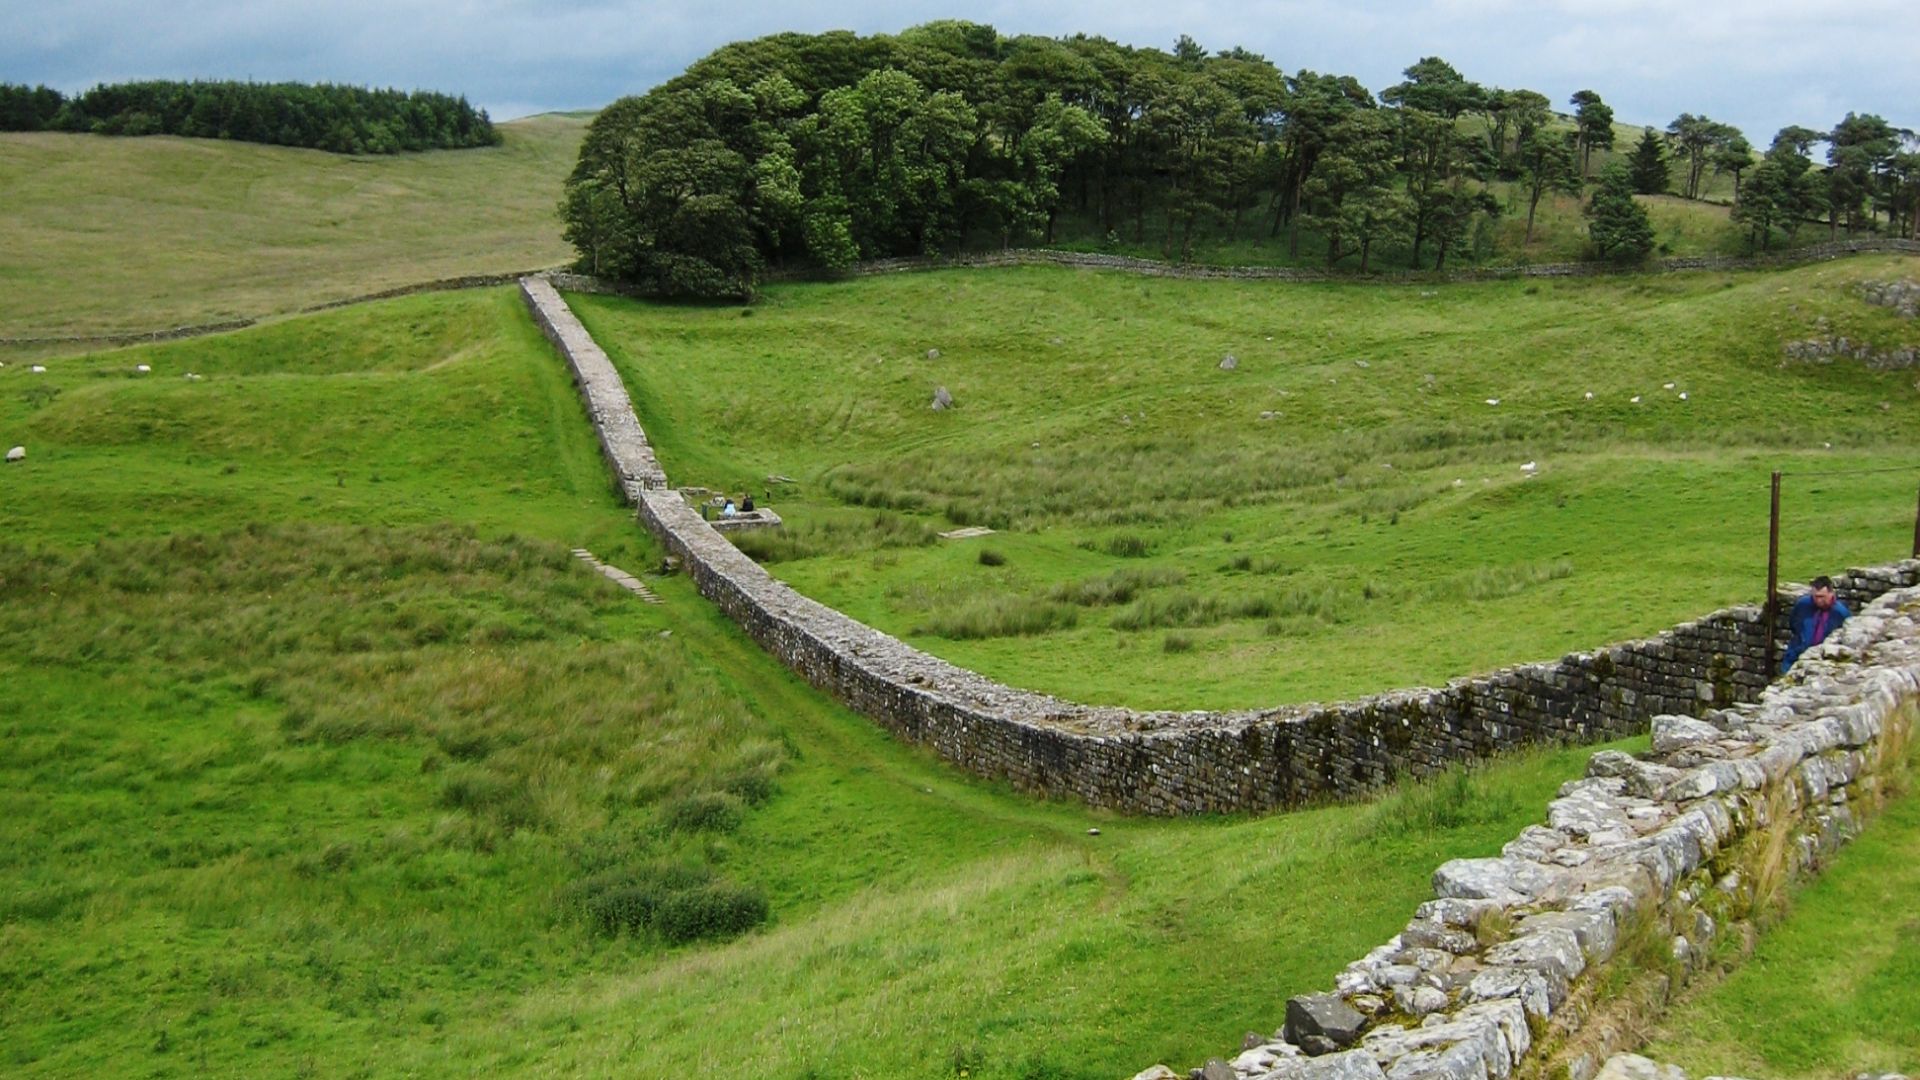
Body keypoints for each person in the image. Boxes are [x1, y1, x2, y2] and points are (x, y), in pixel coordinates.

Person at [1780, 576, 1850, 672]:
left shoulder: (1840, 613)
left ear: (1831, 594)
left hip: (1822, 661)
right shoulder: (1803, 605)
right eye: (1815, 596)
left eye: (1822, 597)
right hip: (1795, 656)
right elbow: (1793, 624)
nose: (1818, 600)